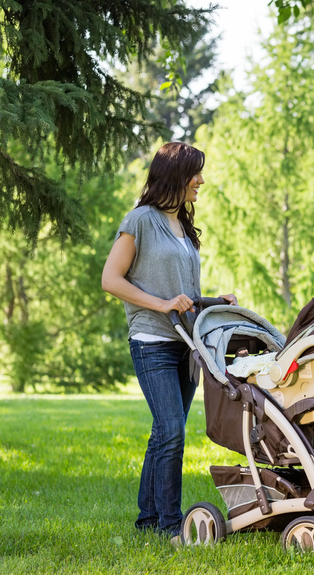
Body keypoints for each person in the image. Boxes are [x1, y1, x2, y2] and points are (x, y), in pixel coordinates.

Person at [101, 142, 238, 541]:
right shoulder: (140, 219)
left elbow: (182, 292)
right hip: (151, 340)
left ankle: (147, 519)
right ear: (174, 175)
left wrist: (215, 300)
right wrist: (161, 304)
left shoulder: (182, 224)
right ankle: (169, 524)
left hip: (186, 342)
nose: (201, 181)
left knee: (166, 431)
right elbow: (111, 280)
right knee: (172, 430)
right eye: (195, 173)